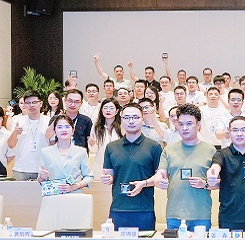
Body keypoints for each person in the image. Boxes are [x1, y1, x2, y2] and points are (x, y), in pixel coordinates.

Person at [155, 104, 218, 232]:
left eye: (189, 124)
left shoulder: (211, 150)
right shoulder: (168, 150)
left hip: (201, 215)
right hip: (174, 214)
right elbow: (160, 174)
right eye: (181, 124)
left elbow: (221, 182)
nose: (184, 128)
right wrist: (159, 181)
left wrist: (205, 184)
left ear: (198, 124)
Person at [101, 103, 163, 231]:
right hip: (118, 209)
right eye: (127, 117)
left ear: (142, 120)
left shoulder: (154, 147)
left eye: (135, 117)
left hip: (144, 209)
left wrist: (144, 183)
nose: (131, 121)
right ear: (121, 120)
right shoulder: (111, 147)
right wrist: (107, 179)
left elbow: (160, 177)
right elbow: (109, 175)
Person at [207, 116, 245, 231]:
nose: (239, 134)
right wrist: (212, 175)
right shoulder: (222, 154)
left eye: (243, 130)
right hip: (228, 217)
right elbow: (215, 168)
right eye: (235, 130)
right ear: (229, 132)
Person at [38, 114, 94, 194]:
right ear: (54, 131)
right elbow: (40, 179)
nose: (63, 130)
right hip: (53, 195)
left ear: (73, 130)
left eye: (67, 127)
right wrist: (42, 177)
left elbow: (89, 176)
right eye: (59, 127)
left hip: (75, 194)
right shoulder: (45, 152)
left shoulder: (81, 152)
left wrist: (76, 186)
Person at [8, 91, 46, 180]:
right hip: (21, 168)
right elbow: (10, 144)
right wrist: (15, 133)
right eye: (28, 103)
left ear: (41, 103)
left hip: (43, 169)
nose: (31, 105)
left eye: (34, 102)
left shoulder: (49, 121)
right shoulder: (18, 121)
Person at [90, 98, 121, 171]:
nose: (108, 110)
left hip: (119, 161)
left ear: (116, 111)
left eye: (111, 108)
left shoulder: (122, 126)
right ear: (101, 110)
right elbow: (94, 149)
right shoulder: (96, 126)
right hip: (100, 162)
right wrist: (91, 144)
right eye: (105, 108)